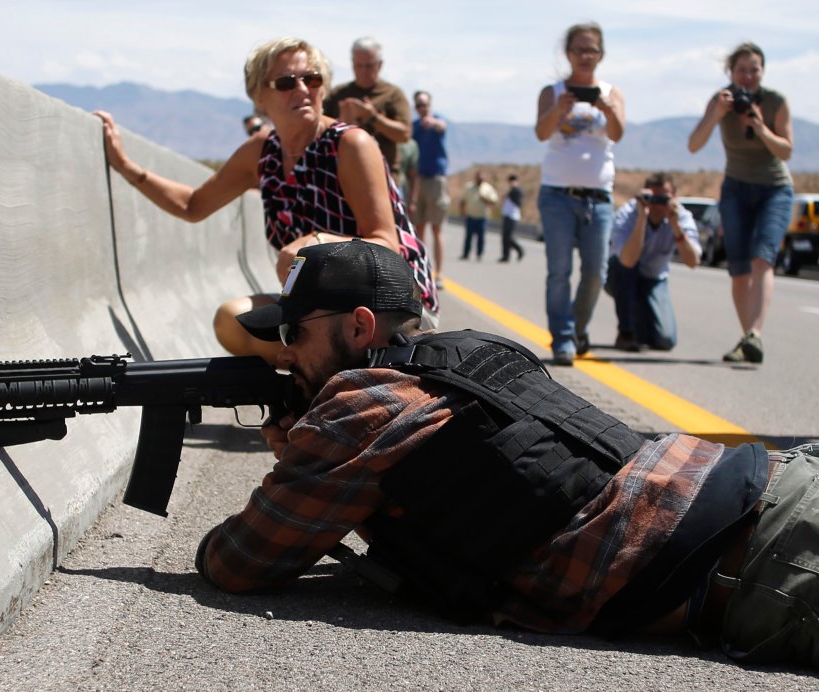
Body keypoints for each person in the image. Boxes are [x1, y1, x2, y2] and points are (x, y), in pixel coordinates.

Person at [196, 238, 819, 668]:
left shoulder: (362, 406)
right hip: (775, 481)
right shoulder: (475, 350)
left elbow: (239, 561)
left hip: (772, 562)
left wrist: (297, 459)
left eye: (294, 333)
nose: (285, 353)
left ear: (359, 327)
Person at [94, 37, 438, 363]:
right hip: (324, 311)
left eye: (312, 79)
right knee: (232, 320)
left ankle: (319, 387)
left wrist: (316, 244)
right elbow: (192, 205)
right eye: (287, 82)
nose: (303, 89)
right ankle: (312, 383)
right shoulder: (262, 152)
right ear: (259, 96)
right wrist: (125, 166)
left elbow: (385, 244)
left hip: (390, 305)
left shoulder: (350, 144)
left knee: (305, 294)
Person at [687, 42, 794, 365]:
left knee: (763, 259)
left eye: (754, 69)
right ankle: (747, 336)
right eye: (741, 70)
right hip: (735, 188)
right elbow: (694, 145)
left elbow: (786, 151)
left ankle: (755, 335)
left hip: (774, 189)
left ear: (763, 71)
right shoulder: (722, 101)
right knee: (738, 268)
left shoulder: (775, 102)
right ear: (731, 73)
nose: (748, 76)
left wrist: (761, 128)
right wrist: (717, 114)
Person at [534, 22, 625, 366]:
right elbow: (541, 132)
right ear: (568, 53)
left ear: (601, 54)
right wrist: (559, 109)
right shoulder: (552, 91)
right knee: (559, 271)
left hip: (599, 196)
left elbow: (618, 133)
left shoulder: (611, 92)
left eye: (592, 50)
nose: (586, 56)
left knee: (596, 272)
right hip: (557, 193)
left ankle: (577, 328)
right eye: (579, 49)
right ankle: (563, 339)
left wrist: (608, 109)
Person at [605, 172, 701, 352]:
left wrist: (675, 226)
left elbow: (693, 261)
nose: (658, 205)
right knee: (626, 270)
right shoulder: (629, 213)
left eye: (663, 199)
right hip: (620, 275)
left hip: (654, 280)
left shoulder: (680, 216)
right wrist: (642, 217)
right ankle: (626, 332)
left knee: (666, 340)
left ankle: (639, 326)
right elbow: (627, 260)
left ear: (674, 198)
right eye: (653, 198)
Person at [323, 37, 412, 178]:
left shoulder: (393, 94)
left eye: (369, 66)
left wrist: (373, 117)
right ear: (352, 64)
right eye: (359, 65)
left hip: (384, 176)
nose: (363, 71)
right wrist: (341, 123)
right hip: (343, 176)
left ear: (380, 65)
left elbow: (404, 135)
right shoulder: (337, 94)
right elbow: (317, 132)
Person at [411, 90, 449, 288]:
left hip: (436, 179)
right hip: (418, 179)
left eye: (424, 104)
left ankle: (439, 273)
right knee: (419, 229)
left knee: (436, 228)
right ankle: (421, 270)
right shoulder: (415, 127)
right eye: (418, 105)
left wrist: (433, 123)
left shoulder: (438, 122)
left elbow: (442, 127)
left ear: (430, 104)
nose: (422, 108)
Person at [458, 170, 497, 261]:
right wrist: (462, 211)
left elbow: (494, 201)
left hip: (482, 217)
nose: (480, 179)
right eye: (479, 177)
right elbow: (463, 200)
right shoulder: (469, 187)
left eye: (482, 178)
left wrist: (486, 199)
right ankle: (466, 254)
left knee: (481, 237)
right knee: (468, 236)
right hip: (471, 216)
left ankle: (479, 254)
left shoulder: (488, 188)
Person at [499, 174, 525, 262]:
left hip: (512, 216)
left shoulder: (517, 190)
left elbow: (519, 202)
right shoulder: (512, 190)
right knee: (505, 237)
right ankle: (505, 256)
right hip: (507, 215)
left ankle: (519, 250)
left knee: (509, 237)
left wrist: (513, 191)